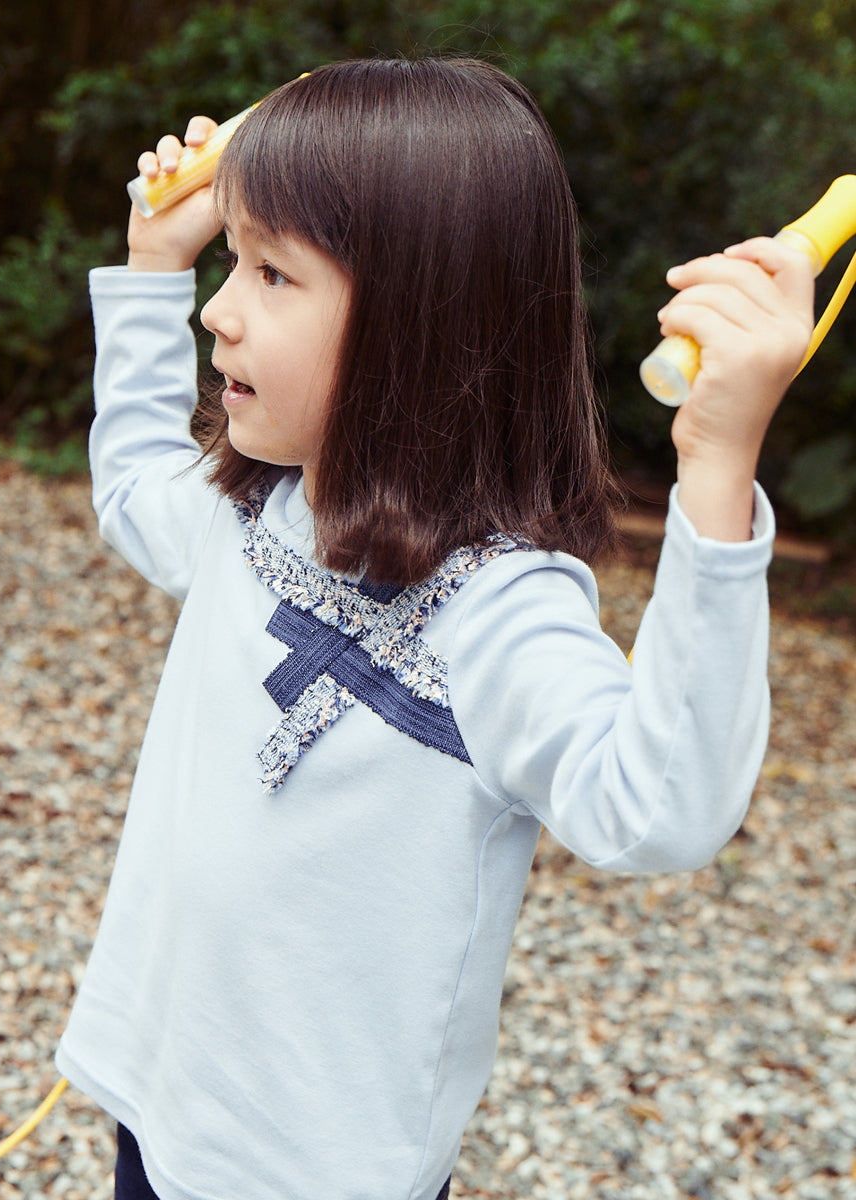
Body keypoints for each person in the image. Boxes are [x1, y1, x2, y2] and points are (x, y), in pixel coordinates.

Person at [54, 58, 814, 1200]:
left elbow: (658, 807)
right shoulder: (256, 506)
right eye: (227, 262)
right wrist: (152, 265)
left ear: (419, 321)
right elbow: (131, 488)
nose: (220, 308)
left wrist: (714, 470)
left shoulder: (499, 607)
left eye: (269, 271)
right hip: (157, 1104)